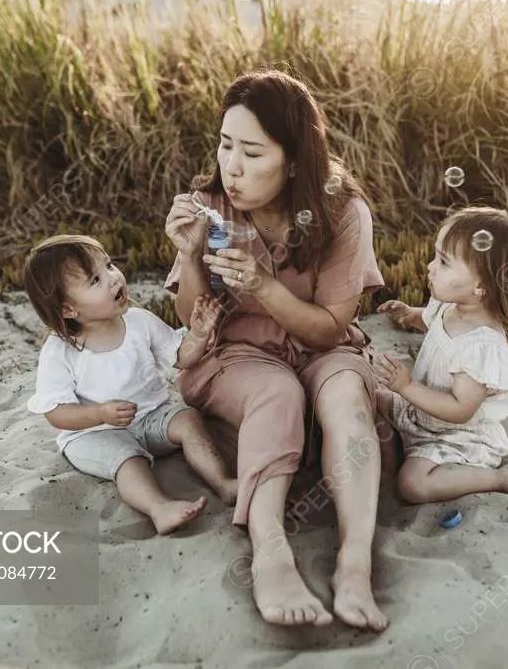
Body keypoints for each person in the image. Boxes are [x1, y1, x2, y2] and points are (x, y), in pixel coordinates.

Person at [163, 70, 389, 630]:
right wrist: (191, 259)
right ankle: (271, 552)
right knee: (277, 391)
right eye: (224, 144)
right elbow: (192, 319)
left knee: (346, 398)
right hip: (234, 354)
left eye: (251, 152)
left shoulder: (341, 213)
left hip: (318, 344)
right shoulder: (210, 204)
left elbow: (329, 331)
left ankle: (354, 563)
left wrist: (264, 286)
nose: (230, 167)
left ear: (293, 161)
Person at [23, 234, 237, 535]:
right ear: (68, 310)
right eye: (96, 280)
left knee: (188, 419)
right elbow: (56, 413)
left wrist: (199, 336)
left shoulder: (139, 321)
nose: (113, 279)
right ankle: (159, 508)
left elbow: (180, 357)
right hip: (94, 434)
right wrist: (99, 414)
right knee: (128, 459)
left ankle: (223, 482)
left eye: (109, 266)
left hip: (150, 418)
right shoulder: (61, 351)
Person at [375, 208, 508, 507]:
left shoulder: (481, 347)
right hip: (421, 415)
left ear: (482, 287)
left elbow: (460, 409)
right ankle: (392, 452)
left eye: (443, 262)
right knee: (369, 395)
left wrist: (405, 387)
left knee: (412, 485)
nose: (430, 267)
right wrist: (410, 315)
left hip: (455, 435)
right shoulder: (449, 305)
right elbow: (435, 327)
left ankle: (501, 478)